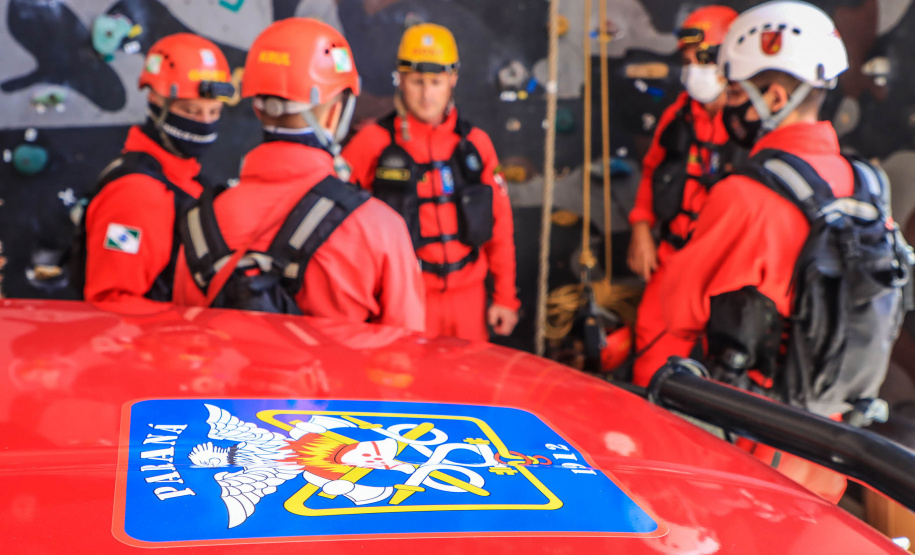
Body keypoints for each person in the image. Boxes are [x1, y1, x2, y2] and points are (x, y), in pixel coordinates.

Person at [657, 0, 853, 501]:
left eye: (736, 93)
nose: (731, 108)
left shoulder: (745, 194)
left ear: (775, 97)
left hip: (752, 440)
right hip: (834, 442)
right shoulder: (862, 183)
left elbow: (677, 310)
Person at [171, 18, 426, 331]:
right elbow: (405, 349)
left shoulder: (199, 225)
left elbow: (184, 340)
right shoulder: (380, 229)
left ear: (257, 108)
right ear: (335, 113)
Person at [342, 23, 519, 342]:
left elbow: (500, 225)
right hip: (403, 300)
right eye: (417, 81)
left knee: (469, 373)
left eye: (436, 82)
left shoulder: (476, 144)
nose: (426, 95)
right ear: (400, 79)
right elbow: (338, 228)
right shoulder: (372, 143)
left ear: (453, 79)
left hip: (468, 300)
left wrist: (505, 297)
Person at [627, 6, 738, 386]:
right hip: (673, 258)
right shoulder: (678, 116)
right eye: (688, 62)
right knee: (650, 359)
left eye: (702, 60)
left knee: (727, 373)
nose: (694, 71)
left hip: (727, 273)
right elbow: (650, 171)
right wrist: (641, 227)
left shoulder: (749, 124)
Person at [82, 33, 233, 306]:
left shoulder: (187, 180)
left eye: (214, 112)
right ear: (154, 100)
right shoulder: (135, 194)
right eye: (190, 111)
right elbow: (112, 302)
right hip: (155, 334)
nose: (205, 122)